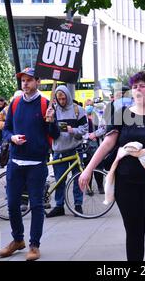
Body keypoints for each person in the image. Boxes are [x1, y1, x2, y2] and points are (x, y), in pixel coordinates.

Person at [79, 71, 145, 261]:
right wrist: (88, 169)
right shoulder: (122, 114)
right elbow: (108, 143)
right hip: (127, 183)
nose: (138, 89)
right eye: (135, 86)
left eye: (143, 85)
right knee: (133, 233)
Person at [0, 67, 59, 261]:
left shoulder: (45, 104)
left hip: (37, 163)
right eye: (23, 80)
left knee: (37, 204)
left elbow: (55, 135)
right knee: (13, 204)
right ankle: (17, 240)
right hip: (15, 162)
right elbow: (5, 130)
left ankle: (34, 245)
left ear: (38, 82)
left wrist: (50, 121)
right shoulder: (15, 103)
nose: (25, 83)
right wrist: (12, 137)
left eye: (29, 80)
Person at [46, 85, 88, 218]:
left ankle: (78, 205)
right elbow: (50, 132)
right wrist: (51, 122)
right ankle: (59, 206)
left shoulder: (78, 110)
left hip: (75, 149)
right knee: (60, 180)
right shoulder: (53, 111)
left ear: (68, 97)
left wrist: (73, 130)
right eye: (59, 99)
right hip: (59, 150)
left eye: (64, 98)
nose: (62, 101)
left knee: (78, 179)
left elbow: (85, 129)